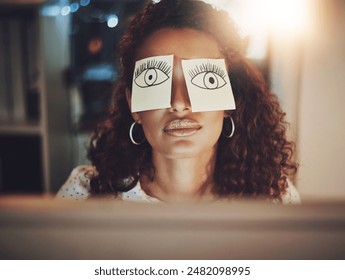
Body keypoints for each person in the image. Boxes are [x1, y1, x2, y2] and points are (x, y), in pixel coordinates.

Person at [57, 0, 300, 204]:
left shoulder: (273, 197)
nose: (180, 103)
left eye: (206, 80)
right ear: (134, 106)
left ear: (230, 99)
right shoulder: (85, 193)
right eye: (154, 79)